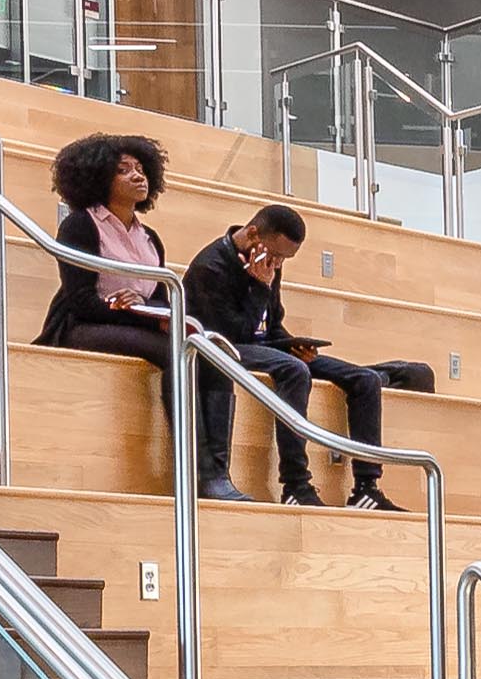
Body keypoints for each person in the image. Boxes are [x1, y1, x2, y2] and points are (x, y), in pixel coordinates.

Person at [182, 203, 432, 508]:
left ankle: (366, 487)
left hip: (264, 346)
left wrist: (292, 344)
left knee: (364, 379)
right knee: (293, 370)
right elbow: (232, 336)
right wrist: (260, 287)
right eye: (275, 255)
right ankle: (295, 485)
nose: (277, 262)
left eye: (284, 259)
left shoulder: (268, 261)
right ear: (252, 233)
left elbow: (270, 326)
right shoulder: (211, 266)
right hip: (222, 348)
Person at [34, 135, 240, 498]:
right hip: (83, 325)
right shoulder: (80, 226)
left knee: (213, 358)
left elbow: (159, 298)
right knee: (172, 354)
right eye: (123, 170)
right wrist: (128, 310)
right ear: (99, 178)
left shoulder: (151, 237)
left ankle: (219, 473)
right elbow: (81, 299)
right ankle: (198, 471)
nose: (137, 177)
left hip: (134, 322)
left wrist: (154, 314)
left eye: (142, 169)